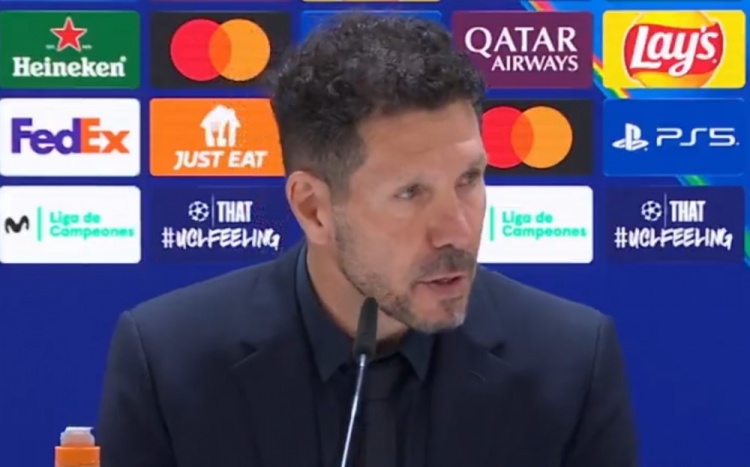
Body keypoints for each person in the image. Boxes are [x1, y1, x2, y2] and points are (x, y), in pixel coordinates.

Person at [97, 12, 638, 467]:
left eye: (469, 179)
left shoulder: (570, 363)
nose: (457, 229)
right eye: (410, 193)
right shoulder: (172, 363)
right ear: (314, 209)